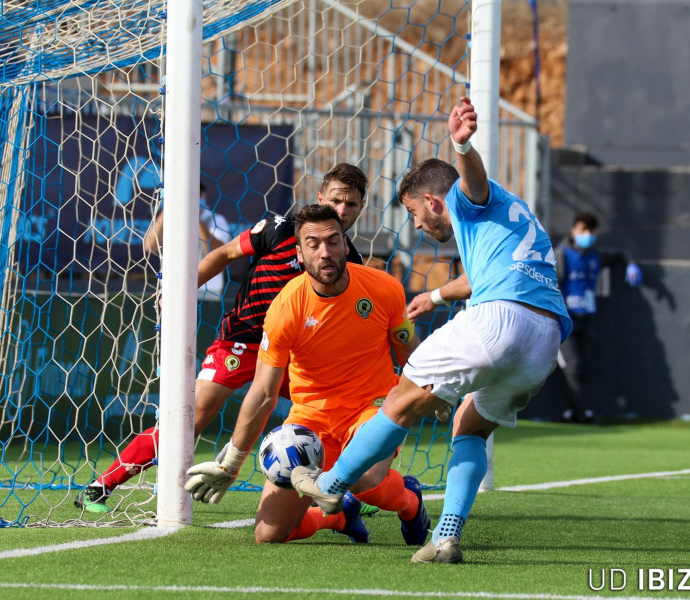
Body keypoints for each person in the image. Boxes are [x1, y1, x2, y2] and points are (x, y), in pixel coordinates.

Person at [290, 96, 572, 564]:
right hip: (544, 339)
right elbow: (483, 277)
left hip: (498, 322)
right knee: (469, 427)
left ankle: (331, 485)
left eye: (413, 212)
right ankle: (445, 538)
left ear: (434, 200)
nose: (416, 224)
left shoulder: (467, 198)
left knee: (401, 400)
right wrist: (438, 296)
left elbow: (472, 181)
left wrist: (462, 145)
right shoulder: (514, 216)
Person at [75, 164, 369, 513]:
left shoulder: (350, 260)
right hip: (241, 341)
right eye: (337, 200)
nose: (342, 210)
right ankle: (103, 485)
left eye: (352, 204)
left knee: (338, 414)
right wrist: (181, 289)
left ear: (361, 208)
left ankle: (351, 493)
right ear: (321, 197)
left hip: (293, 355)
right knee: (191, 413)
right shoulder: (279, 229)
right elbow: (226, 254)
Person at [183, 204, 430, 547]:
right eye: (313, 244)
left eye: (332, 241)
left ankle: (410, 502)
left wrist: (426, 392)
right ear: (299, 253)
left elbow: (410, 355)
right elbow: (263, 394)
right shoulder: (285, 308)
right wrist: (232, 461)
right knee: (268, 536)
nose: (324, 252)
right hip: (310, 420)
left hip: (371, 407)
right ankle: (338, 516)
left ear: (346, 245)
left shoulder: (383, 288)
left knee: (364, 479)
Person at [555, 211, 642, 423]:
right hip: (565, 322)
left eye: (591, 231)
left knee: (580, 368)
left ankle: (571, 412)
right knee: (573, 366)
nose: (588, 235)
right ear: (574, 230)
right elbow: (552, 286)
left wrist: (631, 264)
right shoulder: (562, 254)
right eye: (584, 230)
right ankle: (584, 413)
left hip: (587, 320)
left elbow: (621, 253)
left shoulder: (595, 256)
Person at [142, 181, 232, 298]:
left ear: (202, 196)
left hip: (208, 291)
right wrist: (168, 207)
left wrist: (192, 214)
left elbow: (217, 252)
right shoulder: (170, 217)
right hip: (172, 289)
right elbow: (149, 246)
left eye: (193, 195)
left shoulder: (216, 220)